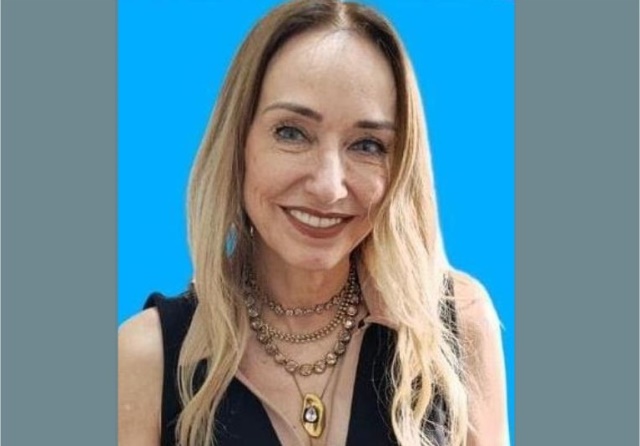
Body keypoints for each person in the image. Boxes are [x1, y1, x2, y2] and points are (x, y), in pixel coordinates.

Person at [118, 0, 509, 445]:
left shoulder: (457, 324)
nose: (328, 186)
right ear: (238, 142)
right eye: (292, 133)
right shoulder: (145, 360)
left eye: (367, 144)